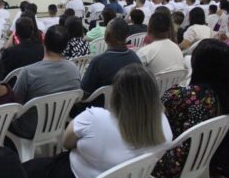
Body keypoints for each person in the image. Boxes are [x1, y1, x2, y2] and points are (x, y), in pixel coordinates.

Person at [23, 64, 172, 178]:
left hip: (75, 173)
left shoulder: (95, 118)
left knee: (25, 169)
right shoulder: (164, 127)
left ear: (117, 94)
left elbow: (66, 143)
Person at [153, 39, 229, 177]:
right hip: (205, 160)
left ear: (197, 64)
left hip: (173, 162)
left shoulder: (183, 95)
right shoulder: (222, 96)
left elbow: (161, 109)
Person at [11, 25, 81, 138]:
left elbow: (15, 104)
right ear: (66, 45)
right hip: (59, 124)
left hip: (29, 128)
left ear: (44, 41)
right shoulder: (74, 69)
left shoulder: (28, 72)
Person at [82, 18, 141, 95]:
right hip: (128, 103)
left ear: (107, 36)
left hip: (101, 105)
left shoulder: (98, 62)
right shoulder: (134, 57)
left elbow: (85, 90)